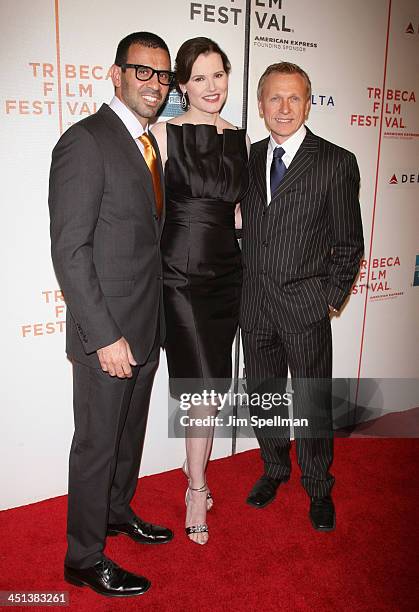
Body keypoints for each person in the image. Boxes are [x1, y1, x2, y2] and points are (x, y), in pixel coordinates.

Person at [48, 32, 175, 598]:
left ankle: (118, 514)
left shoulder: (149, 145)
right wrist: (104, 336)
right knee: (97, 444)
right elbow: (70, 251)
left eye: (163, 75)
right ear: (116, 74)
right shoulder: (86, 142)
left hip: (146, 327)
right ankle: (83, 556)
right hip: (108, 335)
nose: (154, 84)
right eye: (142, 71)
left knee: (129, 438)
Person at [240, 62, 364, 531]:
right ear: (261, 105)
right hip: (254, 306)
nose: (284, 107)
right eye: (274, 98)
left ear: (309, 103)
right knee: (265, 396)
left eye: (294, 98)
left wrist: (328, 299)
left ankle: (317, 486)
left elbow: (349, 243)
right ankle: (273, 469)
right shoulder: (247, 157)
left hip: (305, 308)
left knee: (311, 401)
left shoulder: (335, 161)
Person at [152, 37, 249, 545]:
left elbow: (238, 211)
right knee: (200, 389)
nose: (211, 88)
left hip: (225, 275)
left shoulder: (240, 138)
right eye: (199, 78)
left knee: (214, 386)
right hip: (181, 276)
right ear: (182, 84)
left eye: (219, 75)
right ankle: (195, 488)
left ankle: (197, 479)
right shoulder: (165, 134)